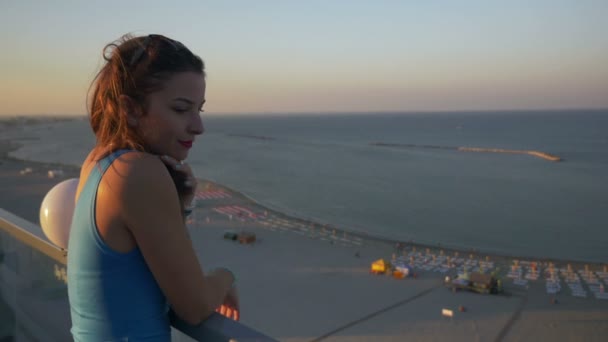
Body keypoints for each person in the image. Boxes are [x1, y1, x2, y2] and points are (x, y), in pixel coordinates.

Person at [67, 33, 238, 341]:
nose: (198, 126)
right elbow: (195, 306)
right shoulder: (137, 172)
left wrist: (180, 206)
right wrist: (227, 277)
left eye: (199, 109)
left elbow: (141, 267)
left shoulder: (97, 162)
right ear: (131, 109)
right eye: (180, 108)